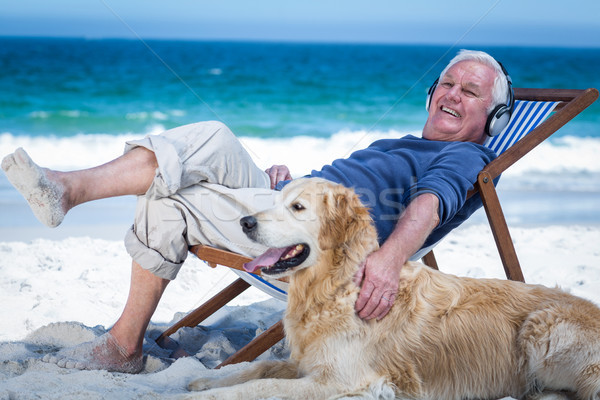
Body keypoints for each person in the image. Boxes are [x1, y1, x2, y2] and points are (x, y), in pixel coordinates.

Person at [1, 49, 511, 373]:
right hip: (291, 205)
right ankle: (67, 192)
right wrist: (288, 187)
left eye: (470, 92)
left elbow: (430, 202)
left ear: (493, 118)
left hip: (321, 242)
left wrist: (390, 259)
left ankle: (120, 340)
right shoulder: (396, 141)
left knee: (170, 197)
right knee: (215, 136)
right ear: (430, 92)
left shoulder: (465, 155)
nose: (451, 95)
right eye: (447, 83)